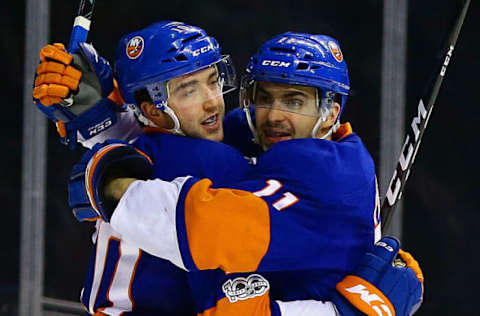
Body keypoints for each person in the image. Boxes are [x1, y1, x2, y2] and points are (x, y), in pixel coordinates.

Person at [33, 22, 422, 316]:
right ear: (152, 108)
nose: (213, 103)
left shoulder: (310, 168)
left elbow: (208, 224)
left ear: (331, 113)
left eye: (214, 81)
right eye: (264, 97)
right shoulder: (234, 148)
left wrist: (108, 178)